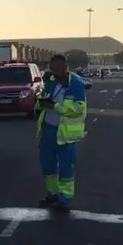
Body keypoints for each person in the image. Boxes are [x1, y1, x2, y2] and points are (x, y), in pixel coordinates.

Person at [35, 54, 88, 209]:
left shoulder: (76, 85)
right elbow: (44, 98)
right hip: (48, 131)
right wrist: (40, 102)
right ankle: (53, 194)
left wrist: (55, 106)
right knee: (47, 165)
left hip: (66, 134)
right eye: (52, 70)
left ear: (66, 68)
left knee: (66, 167)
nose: (54, 73)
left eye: (57, 70)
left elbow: (79, 109)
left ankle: (65, 198)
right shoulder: (51, 81)